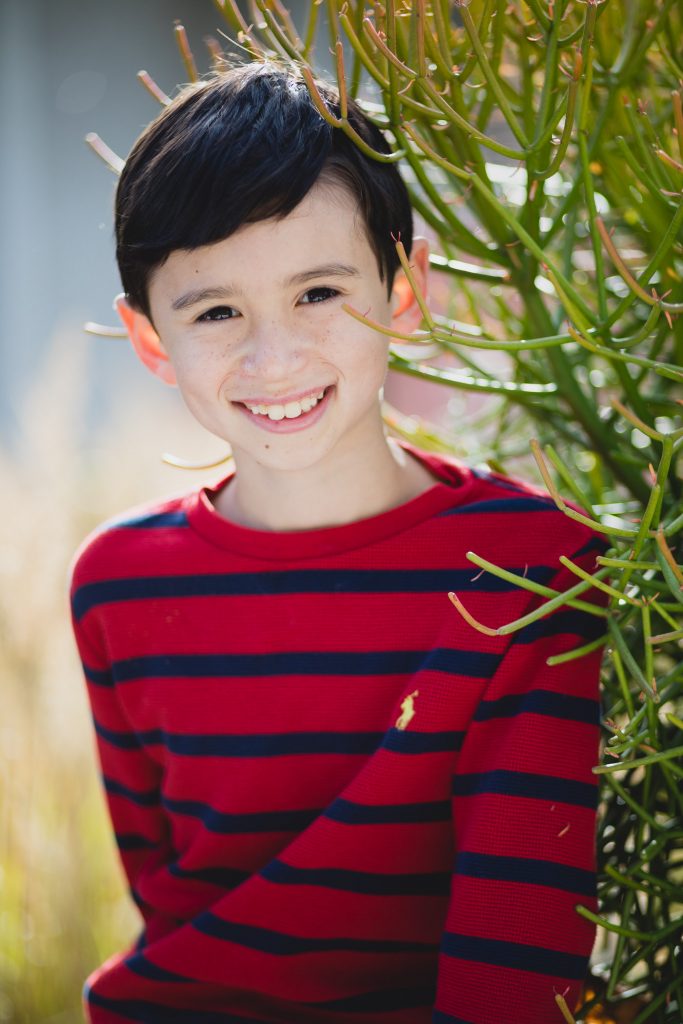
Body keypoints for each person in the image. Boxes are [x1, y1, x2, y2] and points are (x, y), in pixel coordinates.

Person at [70, 60, 607, 1024]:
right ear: (151, 340)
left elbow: (516, 960)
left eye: (318, 292)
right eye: (217, 311)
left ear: (404, 288)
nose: (273, 359)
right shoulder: (117, 586)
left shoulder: (533, 568)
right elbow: (172, 902)